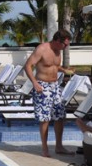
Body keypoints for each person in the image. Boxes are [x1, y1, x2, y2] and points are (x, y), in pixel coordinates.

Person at [24, 29, 74, 157]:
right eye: (65, 44)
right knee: (44, 118)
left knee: (60, 116)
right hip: (42, 86)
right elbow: (28, 65)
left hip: (55, 86)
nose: (66, 47)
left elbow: (54, 66)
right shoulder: (42, 49)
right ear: (58, 41)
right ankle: (45, 148)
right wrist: (35, 83)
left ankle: (59, 146)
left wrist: (64, 70)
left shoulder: (58, 51)